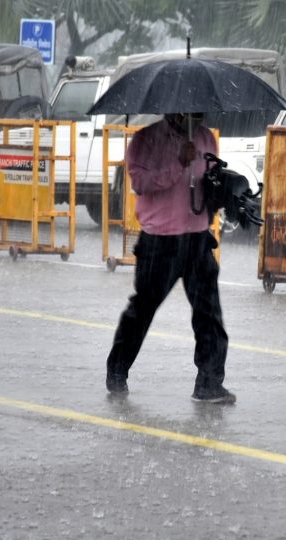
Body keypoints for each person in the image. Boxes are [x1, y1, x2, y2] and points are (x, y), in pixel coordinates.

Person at [105, 112, 235, 404]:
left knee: (209, 314)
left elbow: (210, 181)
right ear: (174, 108)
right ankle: (117, 370)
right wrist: (179, 163)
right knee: (142, 309)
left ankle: (210, 383)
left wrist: (225, 189)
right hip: (160, 241)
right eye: (190, 109)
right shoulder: (145, 140)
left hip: (197, 238)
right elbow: (140, 182)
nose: (197, 115)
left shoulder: (205, 137)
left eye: (201, 109)